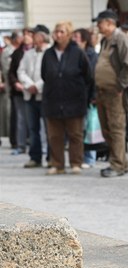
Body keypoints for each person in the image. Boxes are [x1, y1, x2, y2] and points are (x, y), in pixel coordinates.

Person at [93, 9, 128, 178]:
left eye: (100, 22)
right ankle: (121, 162)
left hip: (114, 93)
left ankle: (117, 165)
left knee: (116, 129)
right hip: (103, 92)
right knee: (107, 129)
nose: (97, 25)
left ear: (109, 23)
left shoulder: (120, 39)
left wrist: (120, 87)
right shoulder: (106, 40)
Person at [41, 21, 91, 175]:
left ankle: (76, 162)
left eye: (62, 32)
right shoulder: (48, 54)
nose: (58, 34)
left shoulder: (78, 53)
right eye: (56, 31)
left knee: (75, 134)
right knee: (55, 136)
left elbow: (87, 75)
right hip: (53, 100)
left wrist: (83, 95)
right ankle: (57, 164)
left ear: (69, 35)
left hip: (74, 100)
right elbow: (44, 75)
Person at [18, 24, 50, 169]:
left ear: (42, 37)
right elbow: (21, 71)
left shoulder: (49, 53)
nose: (32, 37)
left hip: (44, 96)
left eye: (35, 35)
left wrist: (37, 86)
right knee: (33, 128)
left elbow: (50, 73)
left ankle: (51, 157)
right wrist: (29, 85)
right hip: (29, 96)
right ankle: (35, 157)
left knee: (49, 128)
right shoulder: (28, 53)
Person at [73, 28, 99, 169]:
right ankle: (79, 156)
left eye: (76, 36)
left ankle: (89, 158)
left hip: (87, 95)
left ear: (84, 39)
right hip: (75, 95)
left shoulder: (91, 55)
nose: (74, 39)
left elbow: (94, 76)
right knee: (78, 129)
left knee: (88, 128)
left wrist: (94, 95)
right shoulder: (73, 54)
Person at [8, 29, 32, 156]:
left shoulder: (38, 52)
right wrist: (16, 83)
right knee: (21, 119)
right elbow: (12, 71)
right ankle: (20, 144)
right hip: (19, 91)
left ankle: (35, 144)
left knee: (34, 120)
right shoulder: (17, 53)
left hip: (34, 90)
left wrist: (32, 85)